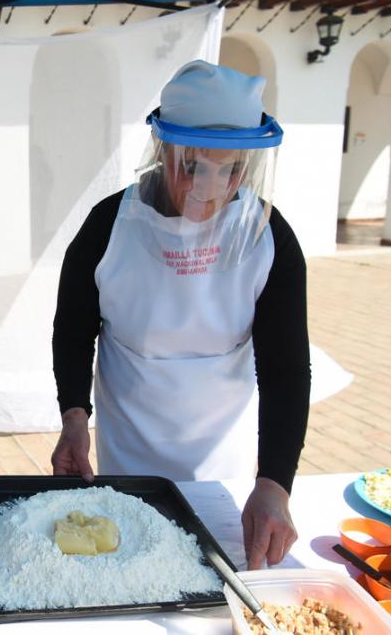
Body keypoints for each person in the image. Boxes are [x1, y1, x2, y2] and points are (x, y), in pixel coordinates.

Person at [51, 61, 310, 570]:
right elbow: (74, 328)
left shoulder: (268, 237)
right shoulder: (110, 223)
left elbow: (285, 371)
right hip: (130, 435)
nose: (208, 189)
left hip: (222, 446)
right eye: (192, 167)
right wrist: (74, 417)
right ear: (163, 148)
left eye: (230, 170)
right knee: (127, 555)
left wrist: (275, 483)